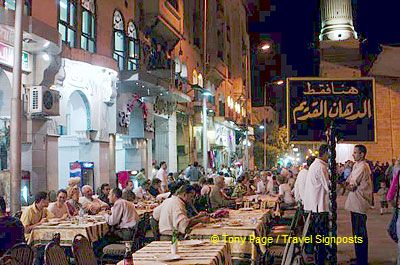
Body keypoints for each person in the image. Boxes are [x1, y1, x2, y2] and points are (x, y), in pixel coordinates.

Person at [345, 144, 373, 265]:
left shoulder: (363, 166)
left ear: (362, 154)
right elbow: (348, 181)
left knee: (360, 233)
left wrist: (347, 185)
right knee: (355, 232)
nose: (353, 154)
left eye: (355, 152)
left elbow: (351, 185)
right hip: (354, 203)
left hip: (359, 203)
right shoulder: (356, 165)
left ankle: (362, 260)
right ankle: (359, 256)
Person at [303, 144, 330, 265]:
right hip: (319, 206)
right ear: (325, 153)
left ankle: (320, 256)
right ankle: (321, 259)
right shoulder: (320, 166)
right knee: (321, 236)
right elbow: (328, 186)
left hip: (315, 205)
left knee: (318, 235)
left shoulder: (316, 165)